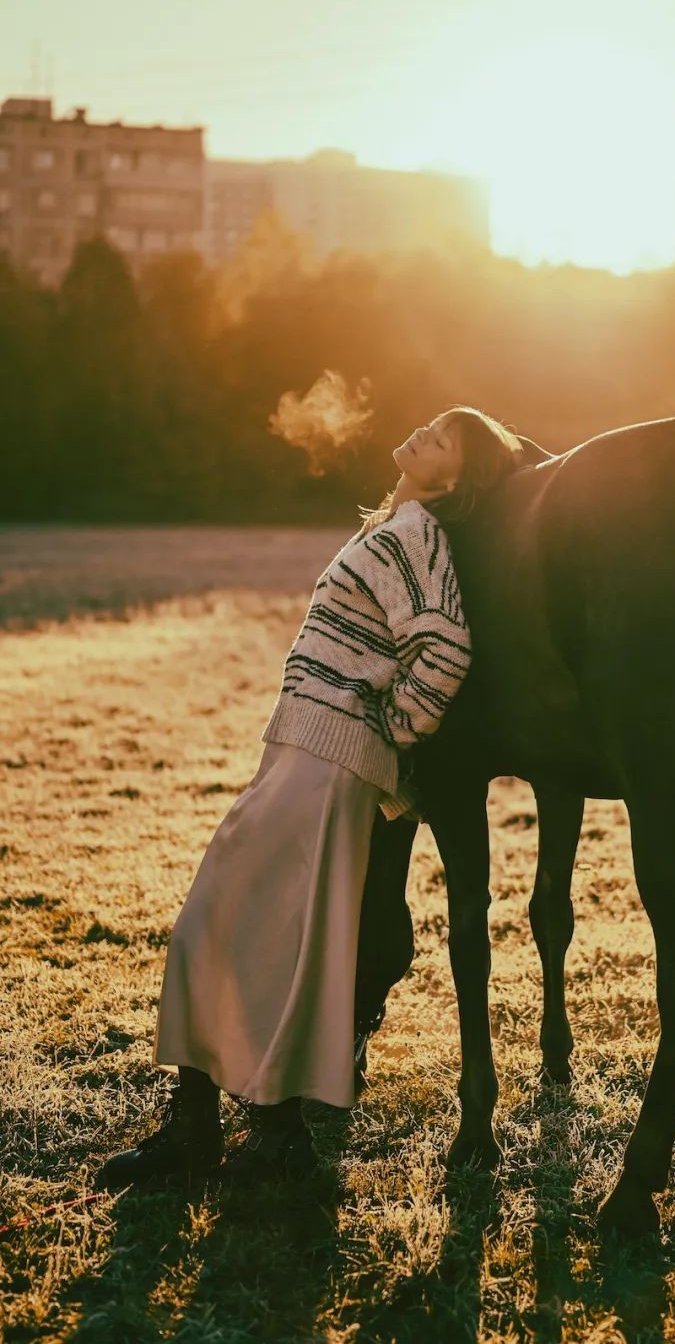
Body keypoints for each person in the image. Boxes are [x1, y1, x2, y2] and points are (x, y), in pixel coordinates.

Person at [101, 405, 524, 1189]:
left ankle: (256, 1134)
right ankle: (227, 1128)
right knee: (255, 929)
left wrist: (390, 729)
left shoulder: (418, 535)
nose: (425, 431)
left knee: (231, 921)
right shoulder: (390, 526)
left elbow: (444, 646)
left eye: (444, 439)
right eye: (432, 422)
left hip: (330, 759)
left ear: (455, 481)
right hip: (302, 749)